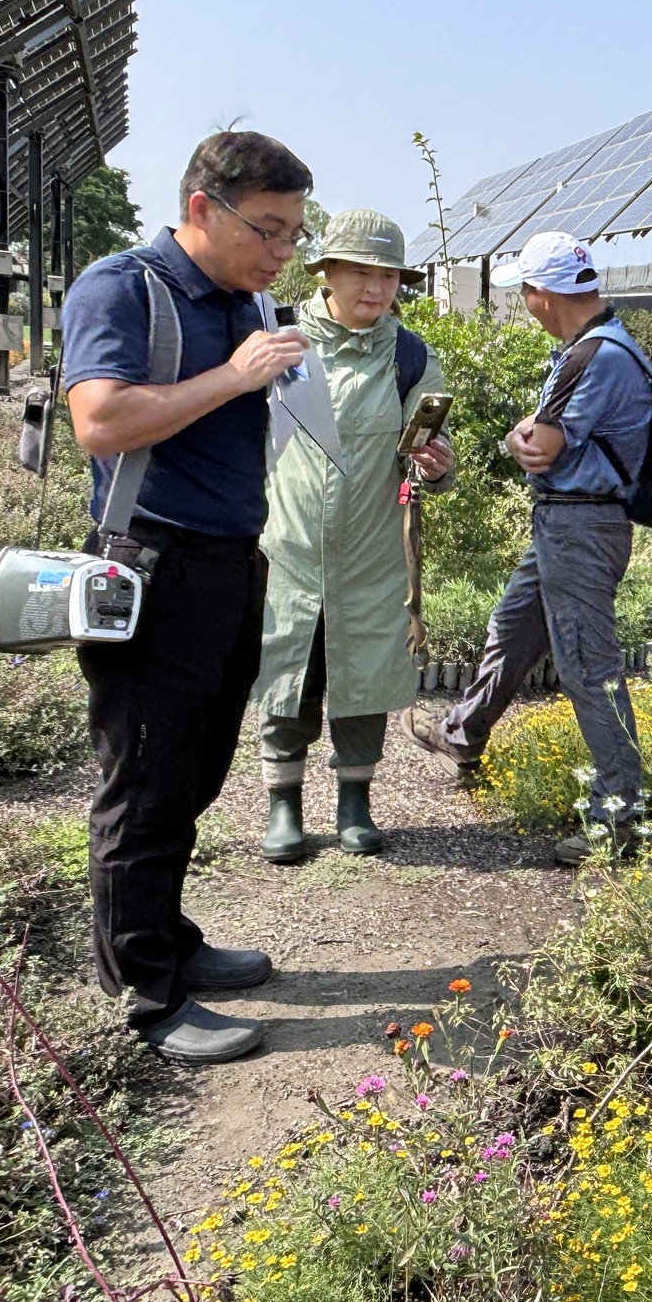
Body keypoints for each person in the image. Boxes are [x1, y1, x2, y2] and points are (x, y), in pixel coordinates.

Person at [62, 131, 315, 1063]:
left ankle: (169, 942)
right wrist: (235, 375)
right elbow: (101, 420)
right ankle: (144, 994)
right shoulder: (123, 288)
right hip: (154, 564)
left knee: (198, 770)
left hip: (230, 562)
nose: (284, 252)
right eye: (271, 229)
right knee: (146, 780)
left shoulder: (247, 298)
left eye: (293, 232)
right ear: (204, 208)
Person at [405, 232, 652, 867]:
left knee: (586, 666)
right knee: (514, 627)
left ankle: (618, 815)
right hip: (568, 523)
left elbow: (538, 446)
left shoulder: (593, 356)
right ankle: (464, 734)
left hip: (581, 526)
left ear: (540, 296)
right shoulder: (603, 346)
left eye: (526, 292)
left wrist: (519, 435)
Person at [253, 210, 454, 864]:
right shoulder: (280, 341)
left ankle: (354, 805)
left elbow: (427, 445)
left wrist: (435, 460)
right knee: (289, 672)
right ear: (327, 273)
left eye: (387, 274)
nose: (375, 287)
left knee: (363, 675)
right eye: (361, 272)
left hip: (370, 547)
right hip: (286, 545)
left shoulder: (411, 356)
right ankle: (283, 807)